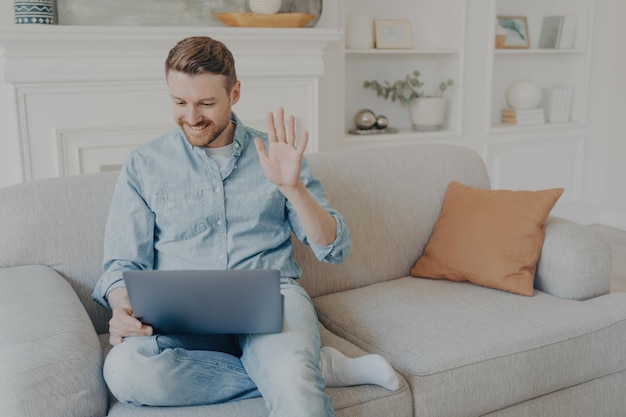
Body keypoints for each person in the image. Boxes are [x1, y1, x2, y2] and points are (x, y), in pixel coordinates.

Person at [92, 36, 399, 416]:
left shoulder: (276, 154)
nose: (191, 116)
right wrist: (123, 306)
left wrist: (294, 189)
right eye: (179, 102)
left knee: (293, 385)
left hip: (270, 297)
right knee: (124, 370)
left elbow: (334, 249)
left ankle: (293, 371)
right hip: (181, 315)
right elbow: (120, 267)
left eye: (206, 103)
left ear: (234, 93)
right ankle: (312, 368)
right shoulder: (144, 165)